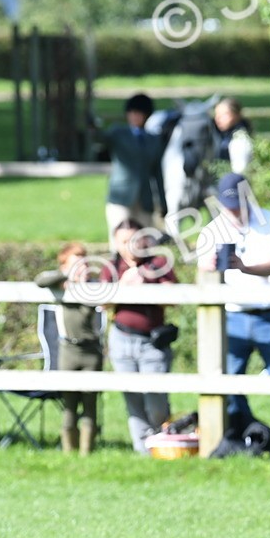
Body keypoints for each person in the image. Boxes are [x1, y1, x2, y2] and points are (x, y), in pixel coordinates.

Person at [198, 172, 270, 458]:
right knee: (226, 381)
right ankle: (241, 434)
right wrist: (211, 268)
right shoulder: (210, 231)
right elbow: (202, 275)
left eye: (237, 202)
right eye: (227, 203)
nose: (233, 209)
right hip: (231, 316)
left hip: (269, 315)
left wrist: (244, 267)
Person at [102, 219, 177, 454]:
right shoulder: (111, 266)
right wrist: (123, 286)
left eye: (134, 240)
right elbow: (101, 302)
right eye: (124, 241)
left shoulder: (157, 263)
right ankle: (142, 451)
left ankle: (163, 444)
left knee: (155, 400)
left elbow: (175, 296)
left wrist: (147, 285)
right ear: (116, 242)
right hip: (122, 339)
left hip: (152, 342)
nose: (129, 246)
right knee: (132, 399)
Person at [36, 242, 105, 455]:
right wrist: (66, 277)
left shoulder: (94, 286)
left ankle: (87, 451)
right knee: (69, 404)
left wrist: (85, 283)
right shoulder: (59, 286)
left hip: (91, 352)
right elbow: (40, 280)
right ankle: (68, 451)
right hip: (68, 351)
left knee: (90, 403)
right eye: (75, 264)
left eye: (83, 264)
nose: (80, 269)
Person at [99, 93, 164, 240]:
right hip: (121, 196)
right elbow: (101, 138)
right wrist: (92, 126)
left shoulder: (153, 139)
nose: (134, 116)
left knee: (145, 240)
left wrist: (162, 202)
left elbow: (157, 173)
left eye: (138, 113)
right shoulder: (118, 133)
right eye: (132, 113)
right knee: (119, 239)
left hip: (144, 198)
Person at [214, 97, 254, 176]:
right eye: (216, 114)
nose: (218, 118)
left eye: (224, 115)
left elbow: (240, 172)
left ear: (236, 115)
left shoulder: (240, 139)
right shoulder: (221, 135)